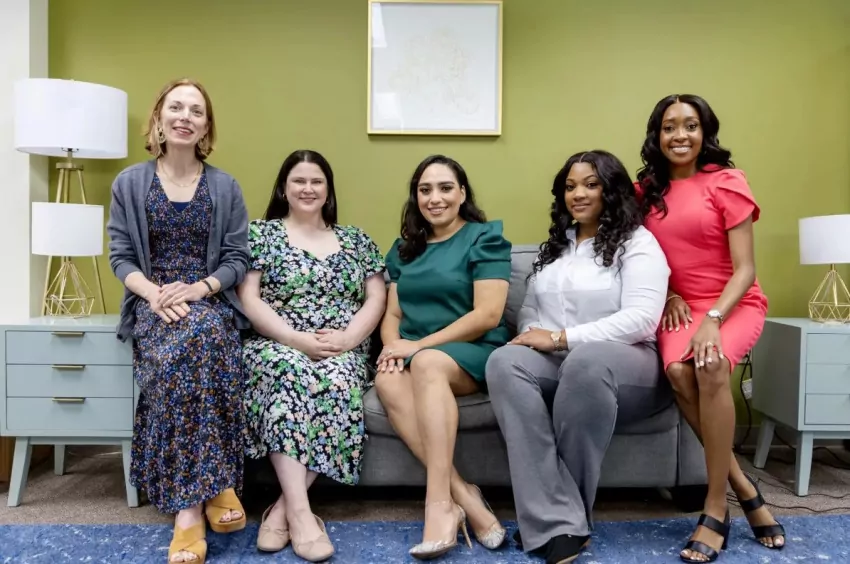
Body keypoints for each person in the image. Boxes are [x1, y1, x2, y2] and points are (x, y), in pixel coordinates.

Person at [485, 150, 673, 564]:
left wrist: (561, 338)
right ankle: (559, 521)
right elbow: (530, 309)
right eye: (570, 187)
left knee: (586, 361)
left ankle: (558, 521)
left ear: (612, 190)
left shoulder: (638, 243)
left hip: (628, 364)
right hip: (563, 361)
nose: (578, 194)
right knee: (502, 362)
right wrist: (533, 335)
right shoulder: (558, 247)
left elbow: (641, 319)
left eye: (591, 184)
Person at [636, 94, 786, 562]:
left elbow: (745, 270)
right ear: (657, 135)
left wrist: (714, 319)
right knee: (679, 372)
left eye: (690, 125)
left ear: (705, 133)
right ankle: (746, 489)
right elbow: (640, 259)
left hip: (731, 302)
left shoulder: (727, 183)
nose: (679, 135)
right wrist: (669, 295)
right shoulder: (646, 192)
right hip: (680, 307)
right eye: (669, 127)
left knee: (711, 364)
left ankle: (716, 507)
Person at [106, 78, 249, 564]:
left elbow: (236, 259)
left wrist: (199, 288)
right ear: (159, 118)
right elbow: (121, 257)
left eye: (196, 111)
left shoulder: (225, 187)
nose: (185, 116)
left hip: (208, 300)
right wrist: (154, 294)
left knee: (203, 332)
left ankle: (189, 511)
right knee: (192, 345)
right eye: (176, 107)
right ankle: (214, 490)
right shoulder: (129, 183)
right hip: (152, 304)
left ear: (206, 127)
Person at [237, 149, 386, 562]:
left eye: (316, 181)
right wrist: (296, 339)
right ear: (283, 188)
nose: (308, 188)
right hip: (277, 344)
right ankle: (303, 517)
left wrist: (349, 339)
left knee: (335, 381)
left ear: (328, 189)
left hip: (343, 348)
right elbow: (249, 298)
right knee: (289, 372)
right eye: (298, 181)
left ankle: (282, 510)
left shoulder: (356, 240)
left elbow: (376, 297)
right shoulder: (261, 235)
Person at [374, 154, 511, 560]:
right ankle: (465, 497)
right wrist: (391, 348)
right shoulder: (404, 250)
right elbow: (392, 315)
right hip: (415, 354)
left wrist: (418, 346)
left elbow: (487, 315)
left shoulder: (484, 238)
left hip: (471, 350)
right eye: (425, 190)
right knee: (386, 380)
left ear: (462, 193)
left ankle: (437, 506)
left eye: (445, 188)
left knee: (428, 363)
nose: (435, 198)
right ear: (415, 197)